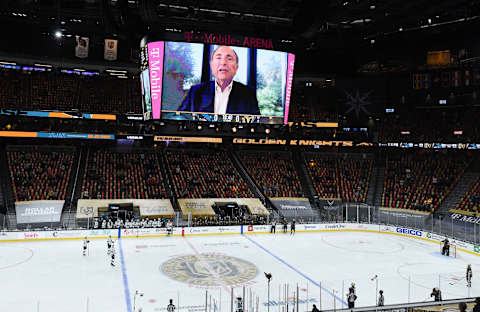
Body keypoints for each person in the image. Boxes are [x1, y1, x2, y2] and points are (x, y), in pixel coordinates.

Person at [178, 45, 260, 115]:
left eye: (229, 59)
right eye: (218, 58)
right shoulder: (195, 92)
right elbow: (178, 118)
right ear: (212, 65)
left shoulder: (248, 94)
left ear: (236, 68)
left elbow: (256, 125)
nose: (223, 62)